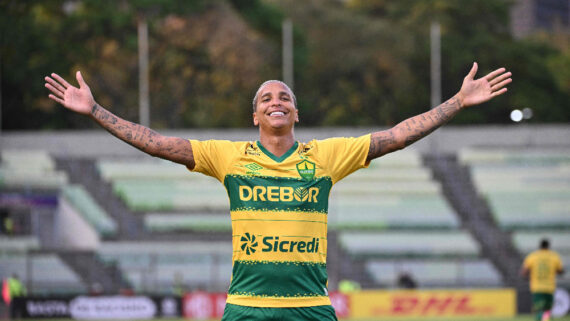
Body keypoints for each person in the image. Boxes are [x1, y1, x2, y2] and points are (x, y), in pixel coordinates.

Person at [45, 62, 511, 320]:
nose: (276, 101)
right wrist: (96, 111)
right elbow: (157, 144)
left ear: (295, 114)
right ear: (255, 116)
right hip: (247, 308)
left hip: (310, 308)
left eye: (284, 97)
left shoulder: (327, 156)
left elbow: (399, 134)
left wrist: (457, 102)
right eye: (266, 98)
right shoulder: (227, 157)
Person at [520, 238, 565, 321]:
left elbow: (524, 272)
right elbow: (561, 271)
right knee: (547, 310)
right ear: (548, 246)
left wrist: (528, 278)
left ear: (539, 246)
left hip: (537, 287)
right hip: (549, 287)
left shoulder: (532, 256)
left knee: (539, 310)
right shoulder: (554, 256)